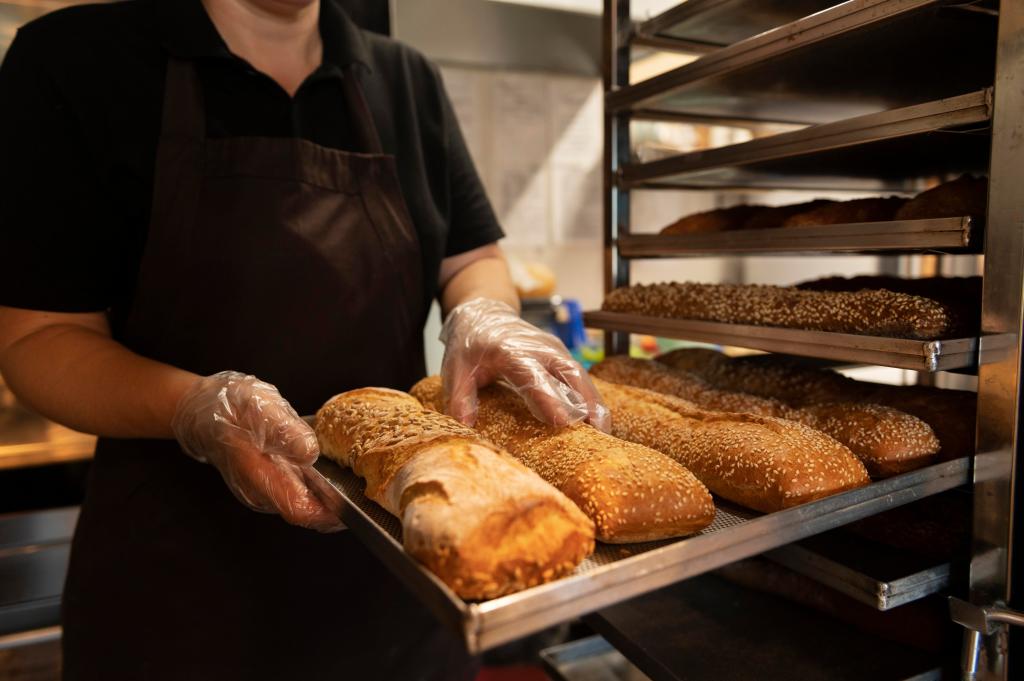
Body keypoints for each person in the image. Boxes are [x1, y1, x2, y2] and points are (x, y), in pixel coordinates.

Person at [0, 1, 608, 679]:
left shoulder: (405, 78)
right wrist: (192, 406)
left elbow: (471, 258)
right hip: (175, 600)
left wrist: (484, 312)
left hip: (402, 582)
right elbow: (38, 335)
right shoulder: (74, 61)